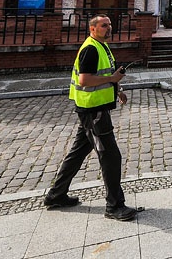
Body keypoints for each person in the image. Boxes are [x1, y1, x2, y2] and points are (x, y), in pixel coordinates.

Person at [44, 14, 142, 221]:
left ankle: (56, 195)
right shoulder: (90, 49)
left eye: (110, 25)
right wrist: (113, 79)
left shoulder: (102, 46)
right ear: (93, 29)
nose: (108, 28)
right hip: (93, 111)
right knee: (110, 156)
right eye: (104, 25)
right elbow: (85, 80)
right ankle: (114, 206)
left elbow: (106, 75)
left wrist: (117, 88)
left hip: (94, 109)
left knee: (78, 152)